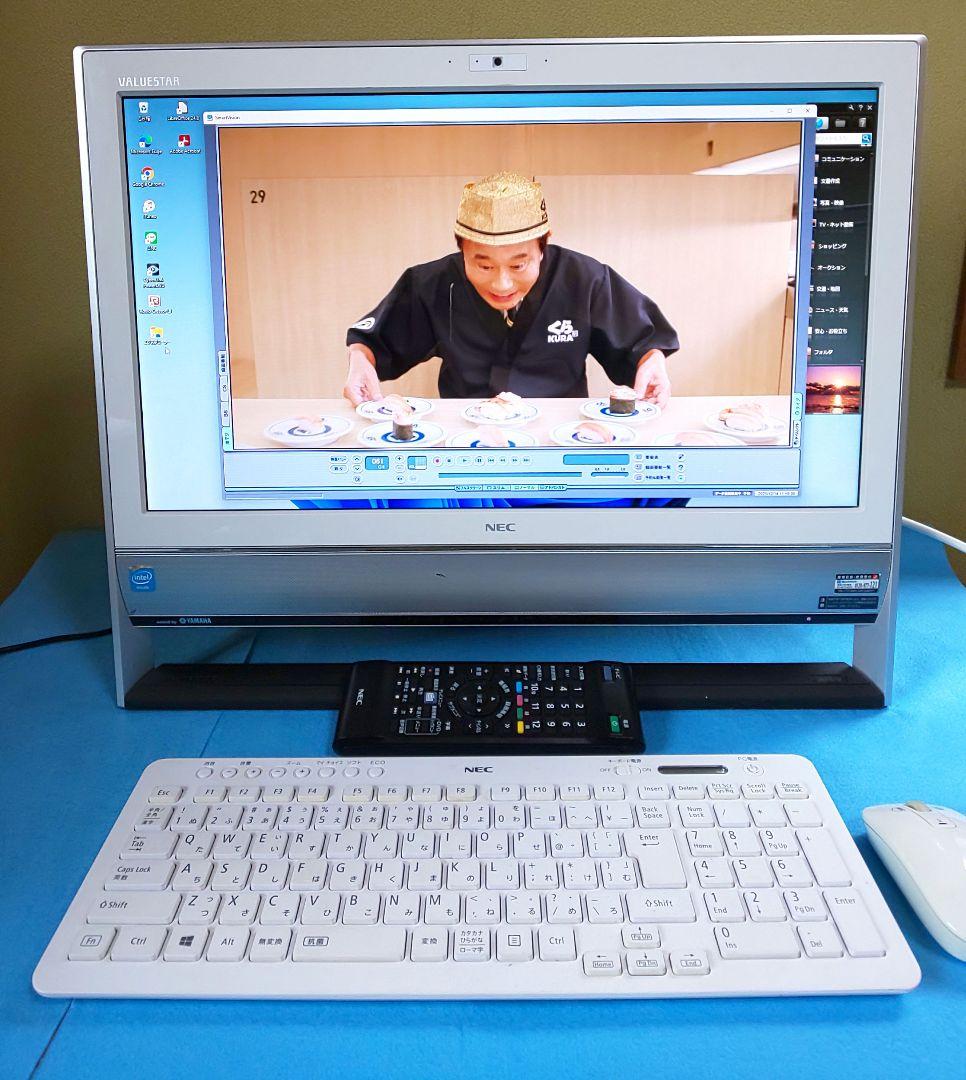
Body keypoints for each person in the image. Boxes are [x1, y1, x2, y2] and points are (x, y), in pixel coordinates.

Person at [343, 172, 679, 406]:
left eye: (519, 265)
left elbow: (642, 341)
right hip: (468, 438)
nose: (501, 284)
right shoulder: (432, 284)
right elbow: (373, 342)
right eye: (484, 266)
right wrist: (360, 362)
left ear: (542, 248)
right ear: (461, 250)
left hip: (556, 438)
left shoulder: (584, 279)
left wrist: (652, 363)